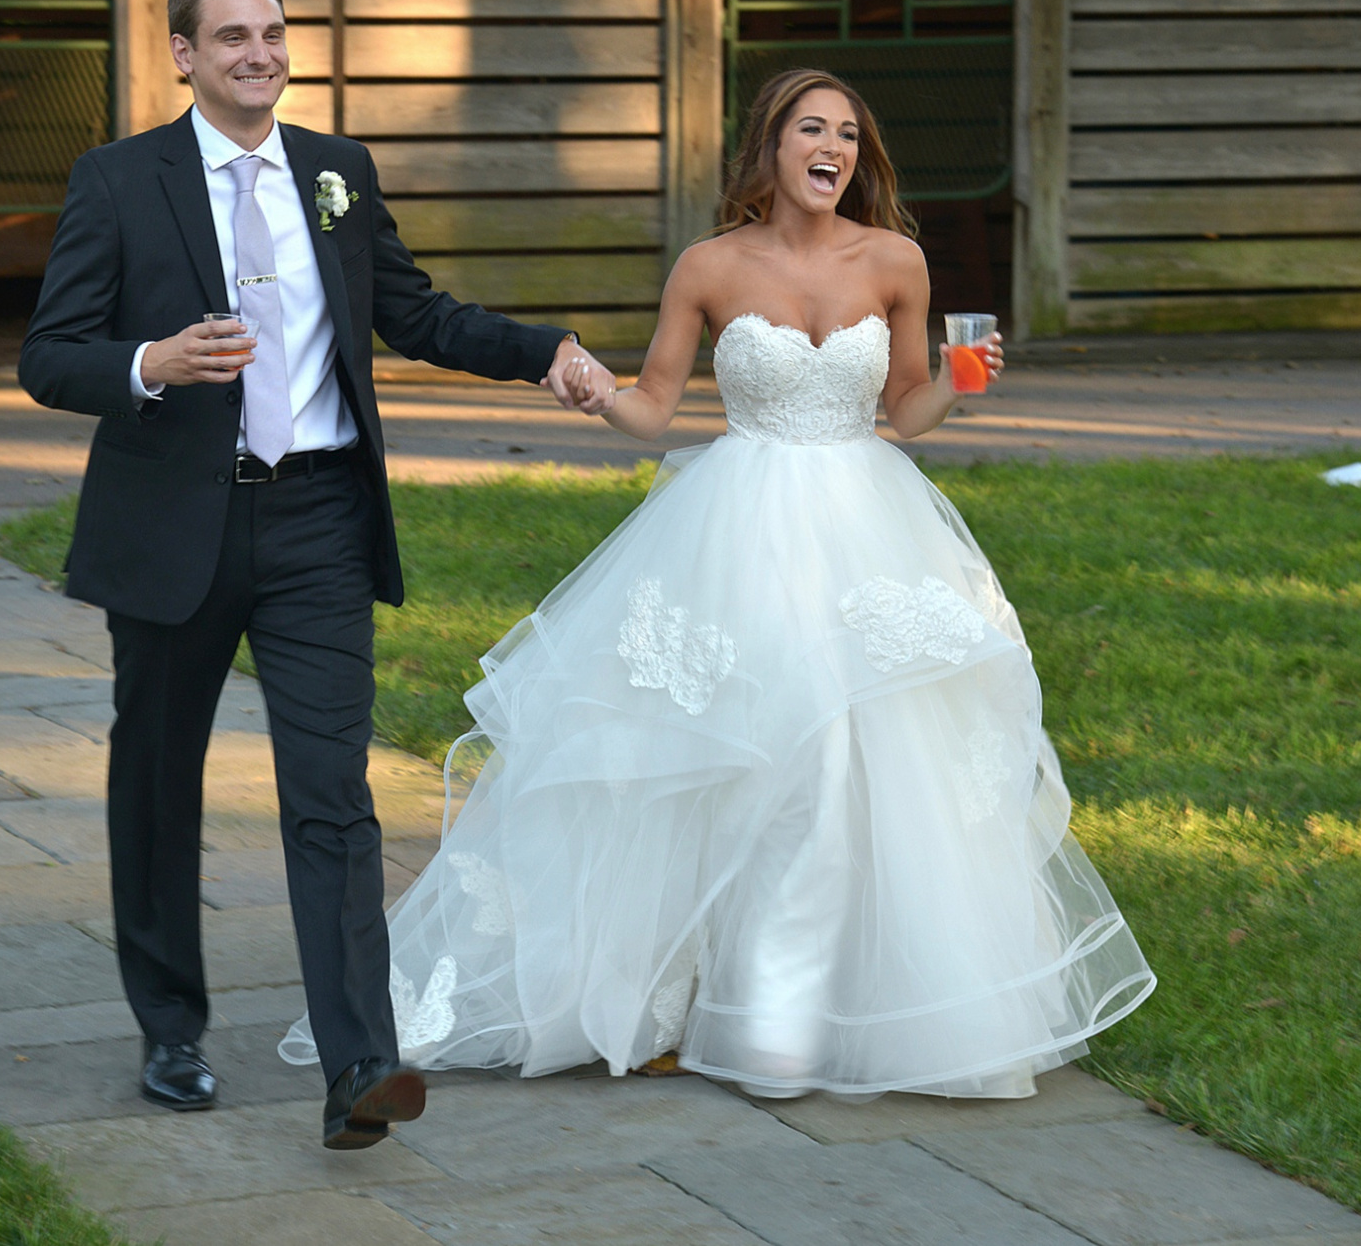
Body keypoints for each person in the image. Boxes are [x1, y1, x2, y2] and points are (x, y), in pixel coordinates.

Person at [281, 67, 1155, 1098]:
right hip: (737, 527)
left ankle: (822, 1007)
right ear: (772, 148)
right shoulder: (709, 265)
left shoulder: (897, 262)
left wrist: (963, 389)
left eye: (847, 135)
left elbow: (908, 409)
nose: (832, 148)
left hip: (868, 526)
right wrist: (595, 393)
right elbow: (656, 407)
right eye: (811, 130)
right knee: (748, 757)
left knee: (855, 757)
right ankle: (730, 1003)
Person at [18, 0, 617, 1148]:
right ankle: (171, 1027)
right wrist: (151, 363)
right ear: (183, 54)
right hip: (175, 524)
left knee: (332, 795)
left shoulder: (337, 174)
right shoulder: (118, 179)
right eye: (231, 36)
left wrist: (540, 348)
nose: (260, 54)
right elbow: (52, 353)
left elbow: (417, 311)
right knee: (155, 783)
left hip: (319, 523)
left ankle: (359, 1064)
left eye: (274, 34)